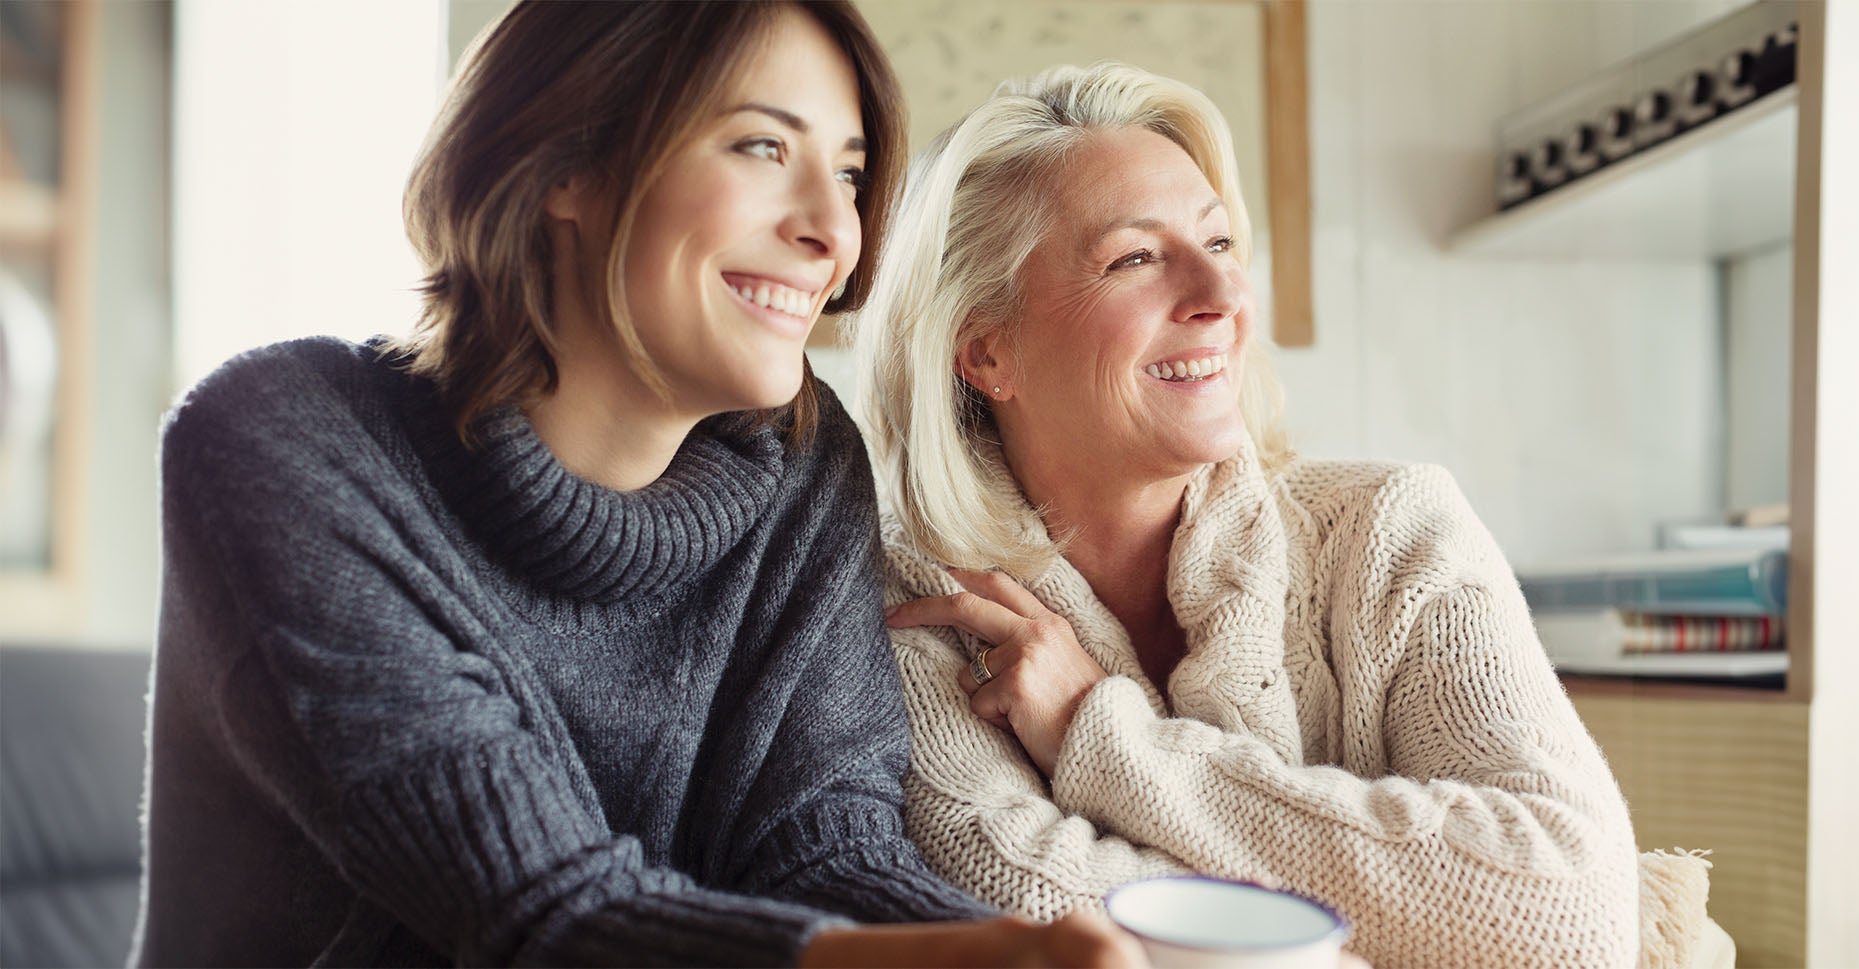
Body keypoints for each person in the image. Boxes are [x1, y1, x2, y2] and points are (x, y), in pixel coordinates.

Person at [132, 5, 1144, 967]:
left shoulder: (804, 467)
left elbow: (824, 853)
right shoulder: (284, 442)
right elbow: (536, 916)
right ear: (566, 160)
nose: (833, 231)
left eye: (848, 173)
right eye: (762, 147)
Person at [852, 62, 1701, 968]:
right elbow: (1038, 913)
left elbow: (1562, 909)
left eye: (1219, 244)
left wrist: (1102, 735)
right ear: (985, 351)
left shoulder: (1395, 529)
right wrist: (1420, 922)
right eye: (1135, 257)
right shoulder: (916, 605)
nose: (1219, 298)